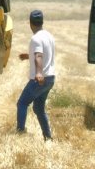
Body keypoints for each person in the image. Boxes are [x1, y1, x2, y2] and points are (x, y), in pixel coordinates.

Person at [16, 9, 56, 140]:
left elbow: (39, 56)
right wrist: (28, 56)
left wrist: (38, 73)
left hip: (39, 79)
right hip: (50, 79)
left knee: (22, 103)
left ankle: (20, 132)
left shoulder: (36, 38)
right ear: (42, 22)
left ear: (30, 23)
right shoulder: (49, 36)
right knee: (39, 108)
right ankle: (48, 137)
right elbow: (43, 54)